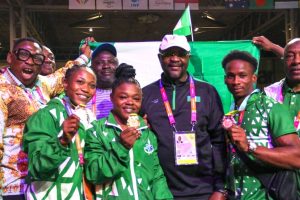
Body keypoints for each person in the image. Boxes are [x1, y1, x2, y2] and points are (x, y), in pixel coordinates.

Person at [0, 37, 91, 199]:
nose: (30, 62)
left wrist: (84, 55)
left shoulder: (42, 84)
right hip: (14, 186)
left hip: (44, 182)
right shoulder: (2, 90)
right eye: (23, 55)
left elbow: (65, 74)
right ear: (10, 57)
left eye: (37, 58)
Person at [141, 34, 227, 199]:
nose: (175, 59)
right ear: (160, 58)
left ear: (188, 57)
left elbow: (219, 142)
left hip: (203, 190)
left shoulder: (207, 92)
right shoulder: (146, 94)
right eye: (169, 54)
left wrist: (220, 188)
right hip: (159, 190)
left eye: (180, 54)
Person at [84, 63, 173, 200]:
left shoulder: (147, 134)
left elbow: (156, 177)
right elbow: (93, 174)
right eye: (123, 97)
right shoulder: (97, 131)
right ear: (112, 97)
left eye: (136, 98)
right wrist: (121, 147)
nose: (130, 102)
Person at [222, 50, 300, 199]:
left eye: (242, 75)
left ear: (253, 78)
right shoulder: (231, 112)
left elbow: (297, 157)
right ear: (225, 79)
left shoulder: (270, 107)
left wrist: (250, 147)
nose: (236, 81)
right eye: (231, 76)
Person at [23, 64, 96, 200]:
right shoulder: (46, 115)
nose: (86, 89)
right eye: (80, 82)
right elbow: (37, 167)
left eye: (92, 85)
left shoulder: (90, 118)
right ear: (65, 83)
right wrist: (62, 141)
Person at [86, 43, 119, 119]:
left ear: (117, 66)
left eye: (111, 62)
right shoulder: (84, 95)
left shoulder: (126, 95)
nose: (106, 66)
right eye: (99, 63)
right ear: (91, 67)